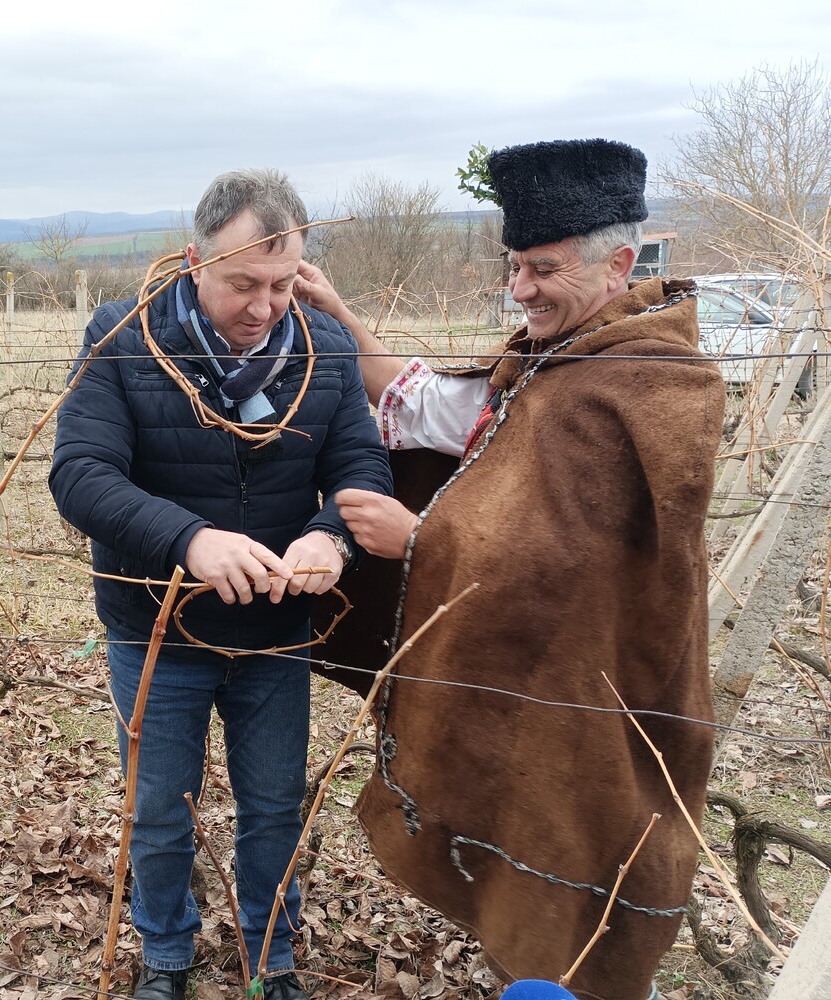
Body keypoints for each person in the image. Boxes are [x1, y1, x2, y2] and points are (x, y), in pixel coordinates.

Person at [295, 140, 726, 1000]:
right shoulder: (547, 364)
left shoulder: (653, 385)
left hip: (593, 703)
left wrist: (419, 542)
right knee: (526, 870)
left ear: (620, 263)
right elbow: (419, 403)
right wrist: (338, 312)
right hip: (527, 687)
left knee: (577, 871)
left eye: (543, 269)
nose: (520, 288)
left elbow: (577, 569)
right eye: (513, 267)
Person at [49, 169, 393, 1000]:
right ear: (196, 261)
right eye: (243, 282)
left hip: (276, 630)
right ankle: (166, 954)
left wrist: (330, 536)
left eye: (283, 283)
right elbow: (80, 474)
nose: (266, 305)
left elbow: (361, 463)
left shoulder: (324, 346)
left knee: (274, 806)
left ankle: (271, 954)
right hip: (153, 626)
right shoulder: (125, 337)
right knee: (160, 811)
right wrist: (190, 540)